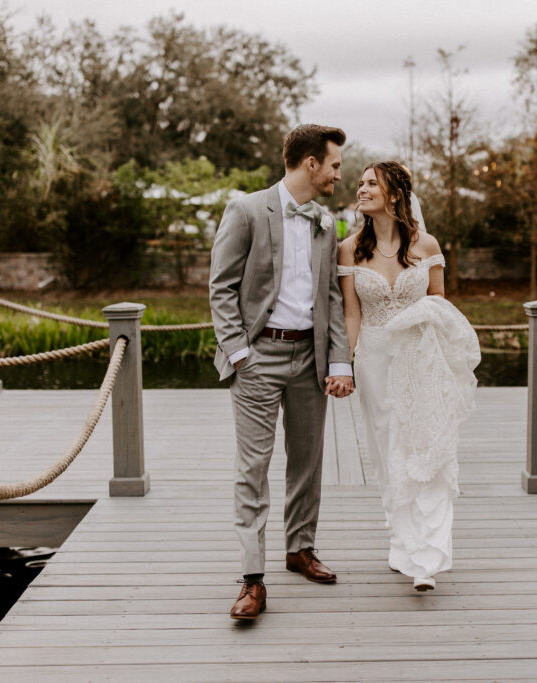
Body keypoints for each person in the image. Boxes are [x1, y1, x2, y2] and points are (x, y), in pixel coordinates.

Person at [209, 124, 354, 621]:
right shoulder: (246, 210)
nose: (338, 174)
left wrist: (339, 361)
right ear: (311, 163)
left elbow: (331, 298)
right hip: (258, 358)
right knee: (253, 469)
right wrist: (239, 353)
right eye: (334, 165)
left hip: (310, 359)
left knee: (307, 461)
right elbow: (221, 288)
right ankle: (252, 579)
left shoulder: (326, 222)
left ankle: (300, 549)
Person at [337, 161, 479, 592]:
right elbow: (351, 314)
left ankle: (427, 558)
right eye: (360, 183)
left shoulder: (426, 244)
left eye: (371, 184)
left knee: (427, 445)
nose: (361, 189)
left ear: (395, 194)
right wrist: (343, 364)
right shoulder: (349, 249)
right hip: (375, 362)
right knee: (388, 452)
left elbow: (439, 302)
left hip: (421, 357)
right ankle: (402, 541)